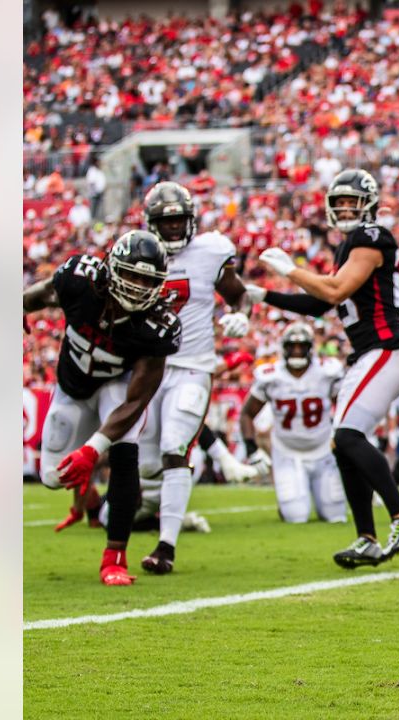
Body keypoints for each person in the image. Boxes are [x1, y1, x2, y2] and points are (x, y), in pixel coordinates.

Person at [249, 168, 399, 569]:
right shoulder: (348, 247)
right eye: (340, 202)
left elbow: (334, 290)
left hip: (387, 349)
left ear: (370, 206)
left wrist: (289, 269)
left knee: (347, 435)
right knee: (344, 442)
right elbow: (320, 303)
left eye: (353, 201)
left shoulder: (370, 237)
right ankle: (367, 538)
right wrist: (264, 294)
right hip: (373, 354)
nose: (346, 208)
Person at [22, 231, 181, 585]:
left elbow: (137, 401)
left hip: (117, 387)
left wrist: (94, 450)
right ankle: (91, 503)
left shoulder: (158, 323)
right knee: (51, 477)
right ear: (111, 268)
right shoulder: (81, 279)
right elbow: (47, 291)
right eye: (132, 275)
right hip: (72, 387)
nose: (139, 287)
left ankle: (115, 558)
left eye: (148, 279)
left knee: (125, 450)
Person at [135, 181, 251, 575]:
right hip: (148, 368)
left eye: (178, 221)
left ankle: (165, 548)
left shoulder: (211, 251)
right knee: (146, 463)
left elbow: (238, 293)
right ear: (151, 223)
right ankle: (148, 514)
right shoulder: (136, 250)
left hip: (193, 367)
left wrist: (241, 313)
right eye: (165, 222)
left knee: (174, 448)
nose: (172, 229)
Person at [238, 322, 347, 523]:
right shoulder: (271, 376)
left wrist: (346, 441)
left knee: (336, 516)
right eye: (293, 347)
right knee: (296, 516)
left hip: (323, 450)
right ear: (284, 348)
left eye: (302, 346)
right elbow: (247, 414)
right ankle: (289, 501)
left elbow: (345, 408)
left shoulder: (327, 372)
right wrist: (251, 448)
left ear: (310, 348)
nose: (297, 351)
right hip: (287, 452)